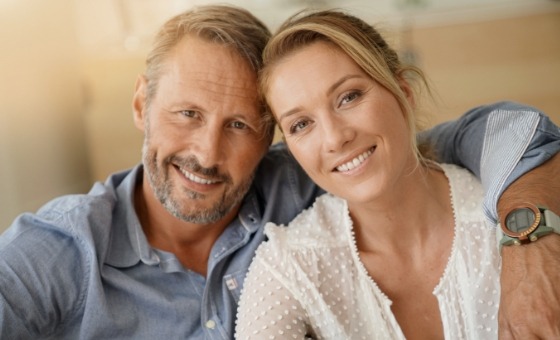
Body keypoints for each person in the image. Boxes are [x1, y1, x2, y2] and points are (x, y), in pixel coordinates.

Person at [0, 4, 558, 340]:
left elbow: (498, 135)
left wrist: (530, 240)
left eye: (240, 125)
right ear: (142, 105)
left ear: (272, 137)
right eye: (187, 114)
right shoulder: (62, 251)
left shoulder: (308, 172)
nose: (208, 153)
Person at [235, 8, 560, 340]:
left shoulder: (512, 218)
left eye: (349, 97)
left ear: (404, 92)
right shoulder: (289, 266)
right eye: (301, 124)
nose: (335, 138)